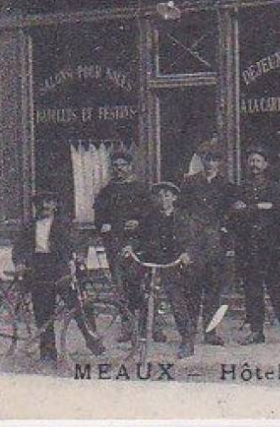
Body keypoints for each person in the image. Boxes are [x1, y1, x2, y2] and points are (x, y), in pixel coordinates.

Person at [13, 191, 104, 363]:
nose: (45, 206)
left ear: (55, 205)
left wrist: (80, 256)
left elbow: (80, 242)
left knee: (78, 305)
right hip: (38, 268)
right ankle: (48, 355)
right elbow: (19, 248)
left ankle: (93, 341)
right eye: (40, 202)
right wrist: (19, 263)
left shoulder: (65, 224)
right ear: (36, 206)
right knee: (43, 313)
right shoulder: (29, 226)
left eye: (49, 202)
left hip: (61, 268)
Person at [227, 144, 280, 344]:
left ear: (265, 164)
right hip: (248, 246)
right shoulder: (240, 189)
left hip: (272, 247)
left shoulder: (274, 187)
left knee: (278, 288)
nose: (254, 165)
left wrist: (251, 208)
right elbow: (233, 213)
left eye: (258, 161)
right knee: (252, 290)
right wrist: (260, 207)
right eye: (251, 161)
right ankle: (256, 332)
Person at [125, 182, 197, 357]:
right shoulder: (150, 217)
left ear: (174, 197)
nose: (163, 199)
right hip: (152, 262)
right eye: (159, 195)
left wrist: (187, 254)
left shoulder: (182, 218)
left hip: (173, 263)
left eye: (167, 195)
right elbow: (139, 237)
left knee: (176, 301)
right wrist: (130, 247)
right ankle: (143, 335)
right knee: (143, 295)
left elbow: (191, 241)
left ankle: (187, 340)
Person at [179, 141, 234, 346]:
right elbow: (181, 211)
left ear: (219, 162)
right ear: (201, 160)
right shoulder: (190, 183)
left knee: (214, 288)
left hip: (215, 242)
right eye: (207, 159)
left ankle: (210, 332)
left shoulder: (226, 186)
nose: (210, 163)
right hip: (194, 242)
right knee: (192, 287)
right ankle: (190, 331)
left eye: (214, 159)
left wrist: (224, 228)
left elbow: (231, 212)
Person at [92, 149, 149, 337]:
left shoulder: (141, 189)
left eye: (122, 165)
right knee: (120, 285)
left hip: (137, 243)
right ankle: (127, 326)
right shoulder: (107, 191)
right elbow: (98, 216)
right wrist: (103, 225)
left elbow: (152, 215)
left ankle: (146, 326)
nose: (118, 169)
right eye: (115, 166)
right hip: (115, 244)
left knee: (138, 283)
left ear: (130, 166)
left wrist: (140, 223)